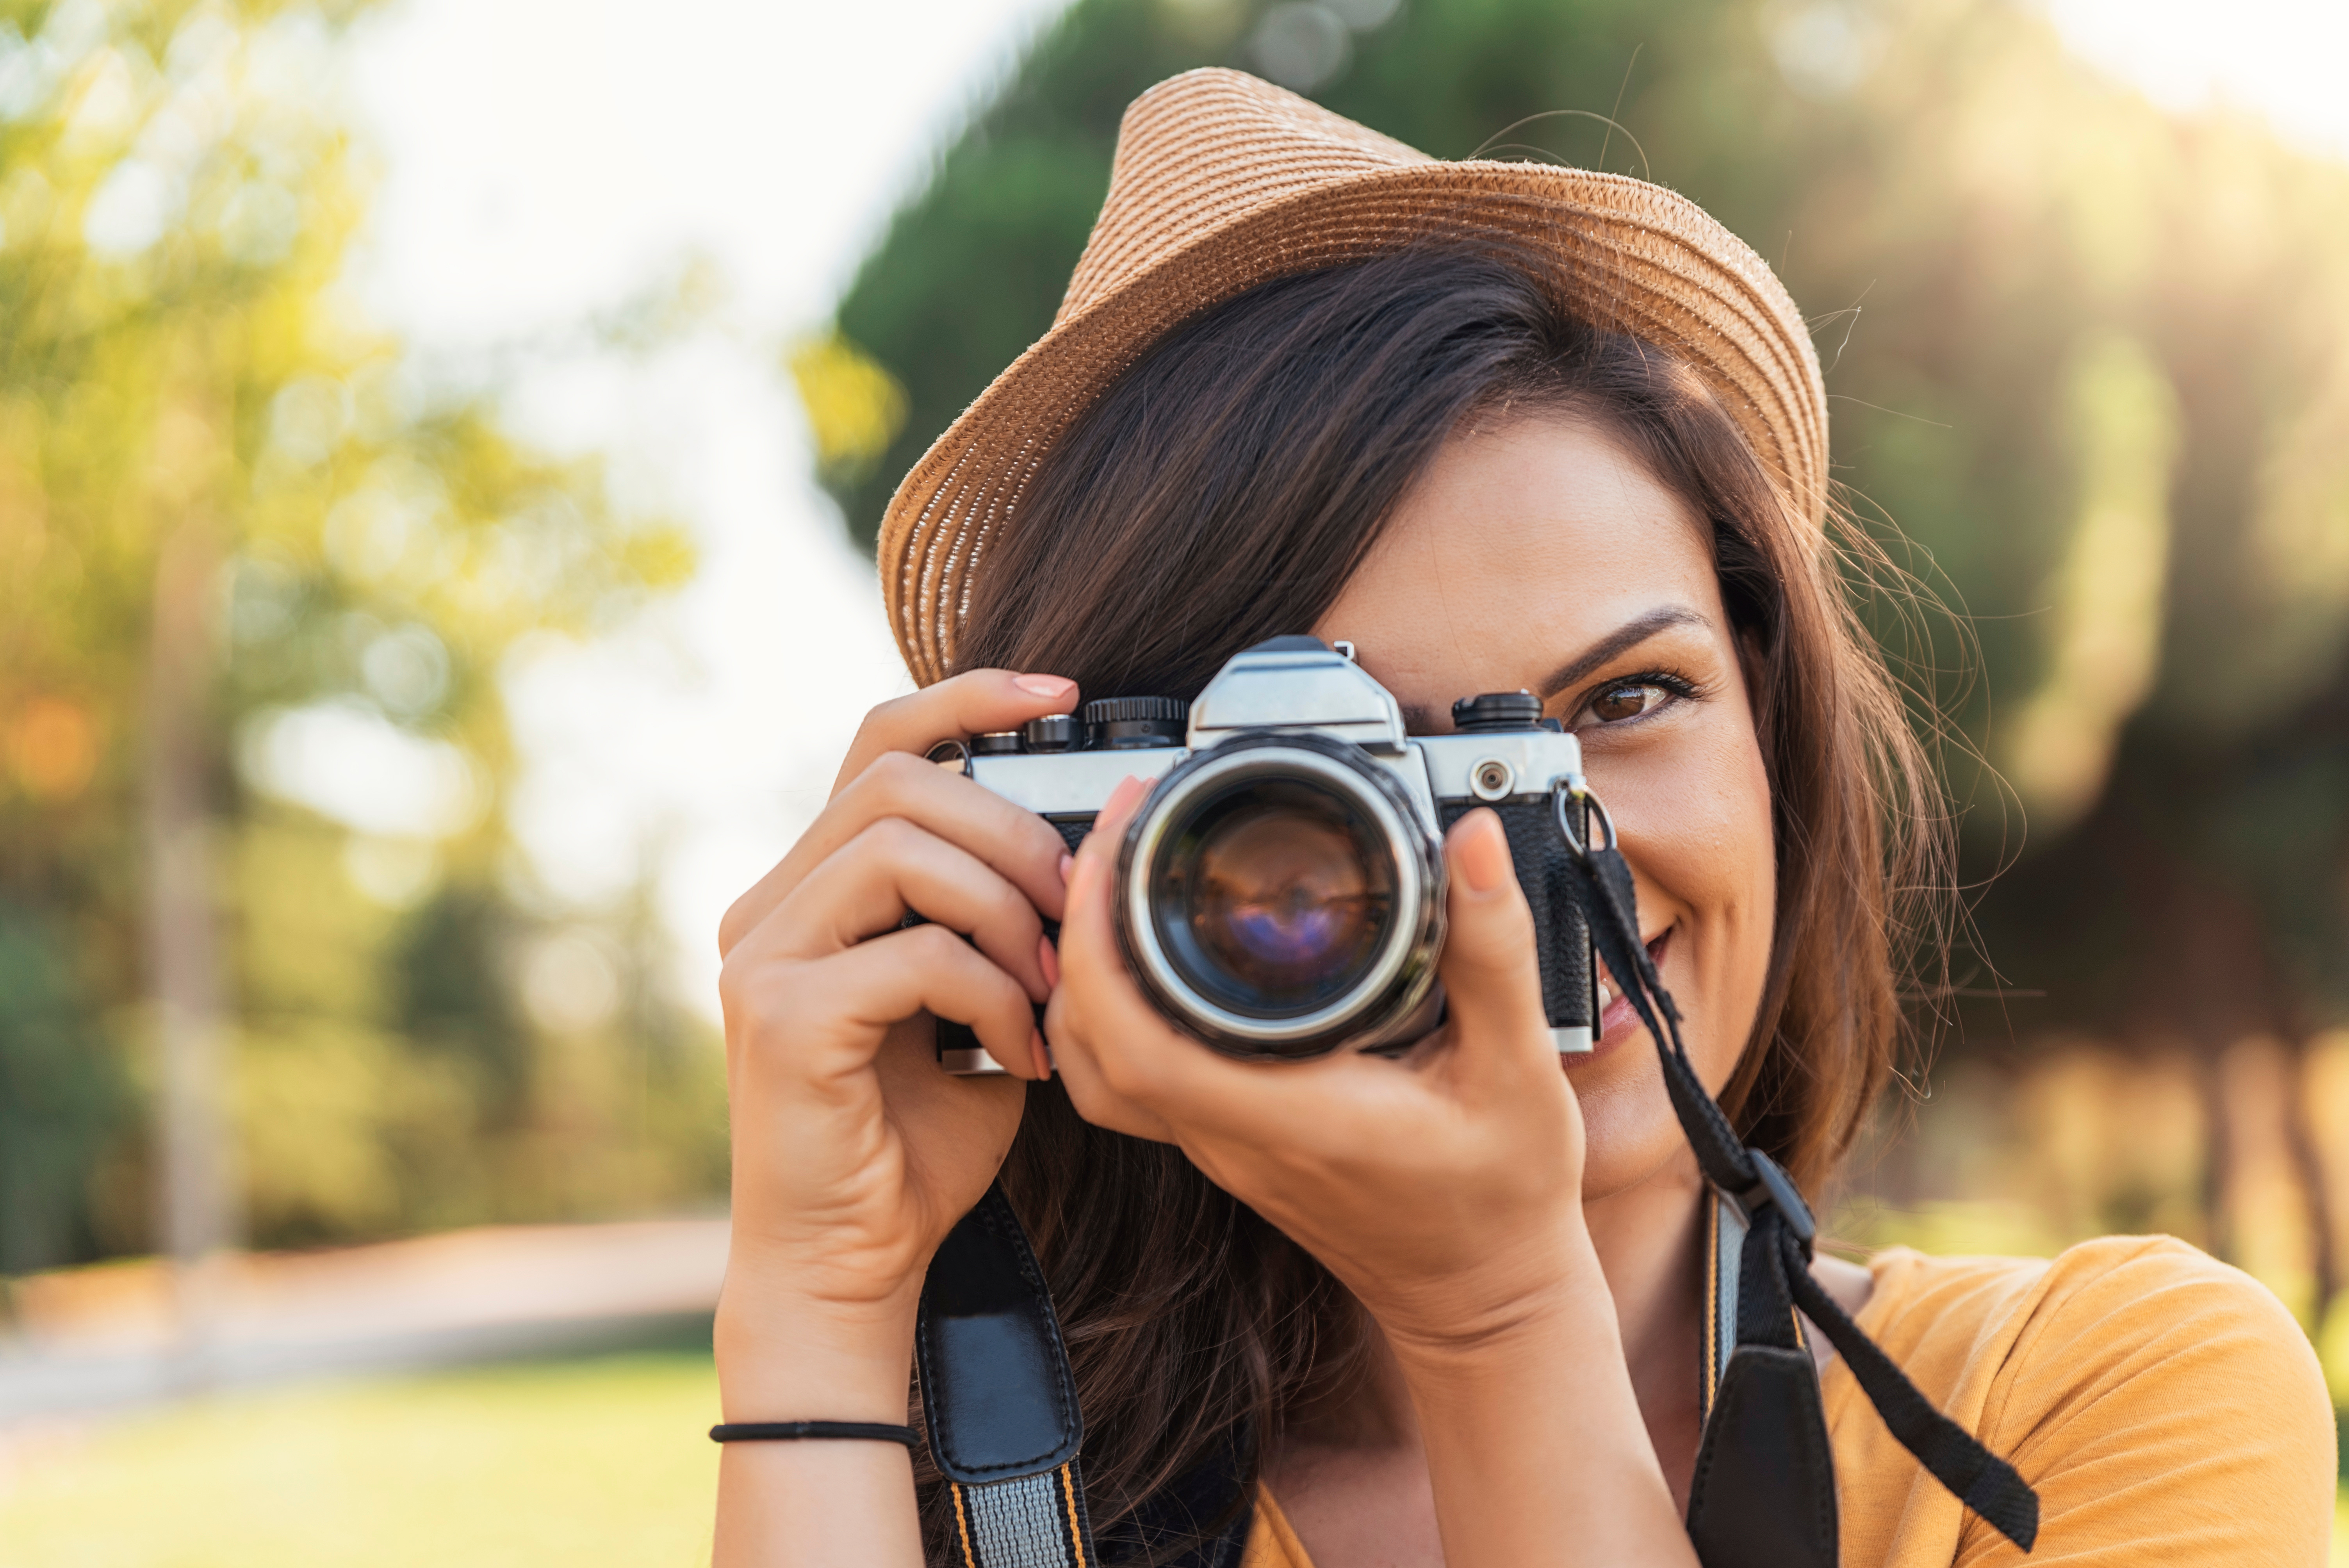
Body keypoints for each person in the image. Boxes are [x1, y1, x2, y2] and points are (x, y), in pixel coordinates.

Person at [709, 69, 2333, 1568]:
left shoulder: (2089, 1403)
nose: (1511, 869)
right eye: (1362, 789)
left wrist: (1489, 1313)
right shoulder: (980, 1493)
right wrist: (819, 1293)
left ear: (1772, 735)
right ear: (1100, 857)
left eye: (1623, 703)